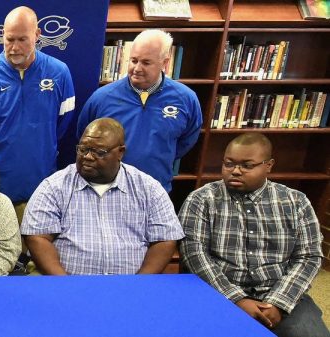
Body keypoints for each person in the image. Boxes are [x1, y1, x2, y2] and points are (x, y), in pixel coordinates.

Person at [179, 133, 328, 336]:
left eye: (247, 166)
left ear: (269, 165)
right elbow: (194, 254)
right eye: (229, 164)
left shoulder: (295, 201)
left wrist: (278, 302)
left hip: (279, 290)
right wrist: (236, 299)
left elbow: (309, 256)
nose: (235, 171)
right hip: (217, 291)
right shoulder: (202, 199)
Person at [23, 118, 183, 275]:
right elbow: (38, 237)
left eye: (99, 152)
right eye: (83, 149)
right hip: (68, 284)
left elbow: (165, 239)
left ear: (120, 152)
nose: (88, 157)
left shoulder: (148, 187)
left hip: (131, 286)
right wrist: (65, 284)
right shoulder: (54, 186)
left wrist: (139, 285)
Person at [0, 6, 76, 218]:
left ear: (37, 35)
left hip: (42, 188)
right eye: (9, 39)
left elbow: (61, 126)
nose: (14, 48)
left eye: (22, 39)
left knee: (34, 251)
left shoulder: (60, 73)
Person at [76, 29, 202, 193]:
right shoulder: (102, 97)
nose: (137, 68)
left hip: (156, 190)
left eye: (146, 63)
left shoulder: (186, 99)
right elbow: (83, 136)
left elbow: (187, 139)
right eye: (134, 60)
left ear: (165, 63)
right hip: (106, 190)